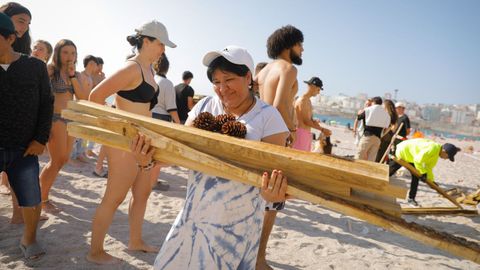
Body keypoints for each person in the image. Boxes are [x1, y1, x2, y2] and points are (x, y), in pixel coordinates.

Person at [153, 45, 289, 269]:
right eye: (216, 82)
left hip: (236, 227)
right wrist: (149, 159)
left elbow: (274, 180)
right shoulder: (205, 105)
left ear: (248, 77)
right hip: (193, 218)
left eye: (228, 79)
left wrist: (271, 192)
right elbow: (178, 152)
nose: (222, 88)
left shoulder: (268, 117)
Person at [88, 19, 176, 265]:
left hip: (142, 143)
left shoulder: (148, 70)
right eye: (160, 44)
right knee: (113, 197)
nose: (163, 49)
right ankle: (94, 251)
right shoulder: (132, 68)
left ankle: (135, 241)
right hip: (126, 144)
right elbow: (96, 96)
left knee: (142, 193)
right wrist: (118, 132)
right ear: (146, 41)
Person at [0, 12, 54, 260]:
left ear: (10, 38)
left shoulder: (35, 66)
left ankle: (29, 239)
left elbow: (46, 104)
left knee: (31, 199)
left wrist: (41, 139)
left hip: (25, 147)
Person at [254, 25, 303, 269]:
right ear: (288, 45)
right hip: (276, 136)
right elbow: (276, 105)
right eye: (299, 44)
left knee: (257, 198)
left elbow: (260, 103)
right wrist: (289, 132)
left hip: (258, 134)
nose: (302, 49)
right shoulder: (288, 68)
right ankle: (259, 258)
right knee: (272, 202)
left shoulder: (263, 72)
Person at [39, 39, 89, 214]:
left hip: (70, 120)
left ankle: (42, 195)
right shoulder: (51, 70)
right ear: (58, 53)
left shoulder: (77, 74)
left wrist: (73, 75)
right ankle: (41, 199)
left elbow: (83, 98)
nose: (70, 56)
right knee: (56, 160)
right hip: (55, 118)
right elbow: (42, 96)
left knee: (63, 160)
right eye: (66, 52)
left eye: (73, 53)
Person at [389, 139, 460, 206]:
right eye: (447, 157)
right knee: (391, 170)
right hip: (403, 151)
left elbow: (428, 168)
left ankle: (411, 199)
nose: (445, 159)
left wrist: (431, 181)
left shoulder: (436, 154)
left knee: (416, 177)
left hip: (411, 156)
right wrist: (423, 173)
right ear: (444, 151)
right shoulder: (433, 148)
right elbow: (417, 160)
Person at [150, 53, 180, 190]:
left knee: (147, 151)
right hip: (161, 119)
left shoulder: (150, 78)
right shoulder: (167, 83)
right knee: (158, 154)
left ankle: (144, 180)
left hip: (148, 116)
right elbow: (171, 108)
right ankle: (153, 182)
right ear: (167, 68)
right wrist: (179, 124)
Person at [71, 55, 100, 162]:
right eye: (94, 64)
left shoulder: (90, 77)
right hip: (78, 106)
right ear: (89, 64)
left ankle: (81, 153)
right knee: (76, 133)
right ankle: (73, 155)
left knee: (83, 133)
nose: (95, 66)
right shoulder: (80, 75)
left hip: (86, 107)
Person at [293, 77, 331, 151]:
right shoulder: (302, 100)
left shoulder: (308, 101)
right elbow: (306, 121)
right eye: (318, 89)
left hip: (305, 134)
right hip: (300, 134)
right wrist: (322, 129)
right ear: (313, 87)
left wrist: (314, 121)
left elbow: (308, 119)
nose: (319, 92)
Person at [355, 96, 390, 161]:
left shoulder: (368, 109)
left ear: (373, 102)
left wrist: (359, 113)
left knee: (359, 155)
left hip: (367, 136)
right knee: (371, 159)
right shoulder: (386, 114)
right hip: (377, 138)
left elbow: (359, 117)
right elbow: (387, 127)